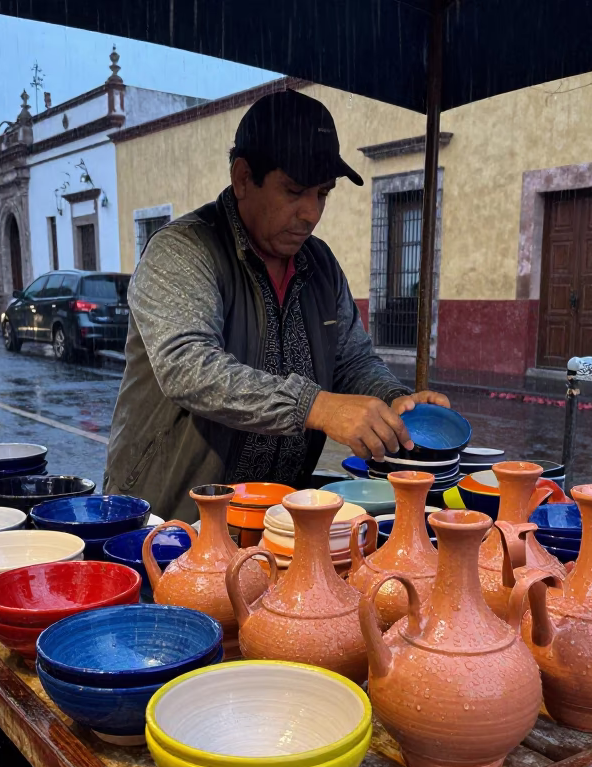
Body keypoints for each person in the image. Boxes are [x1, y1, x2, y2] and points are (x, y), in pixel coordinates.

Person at [104, 89, 448, 521]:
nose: (311, 213)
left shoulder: (319, 263)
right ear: (243, 177)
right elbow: (189, 368)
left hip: (273, 520)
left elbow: (352, 361)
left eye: (323, 193)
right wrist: (317, 407)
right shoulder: (183, 250)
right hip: (167, 521)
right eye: (294, 190)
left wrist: (394, 401)